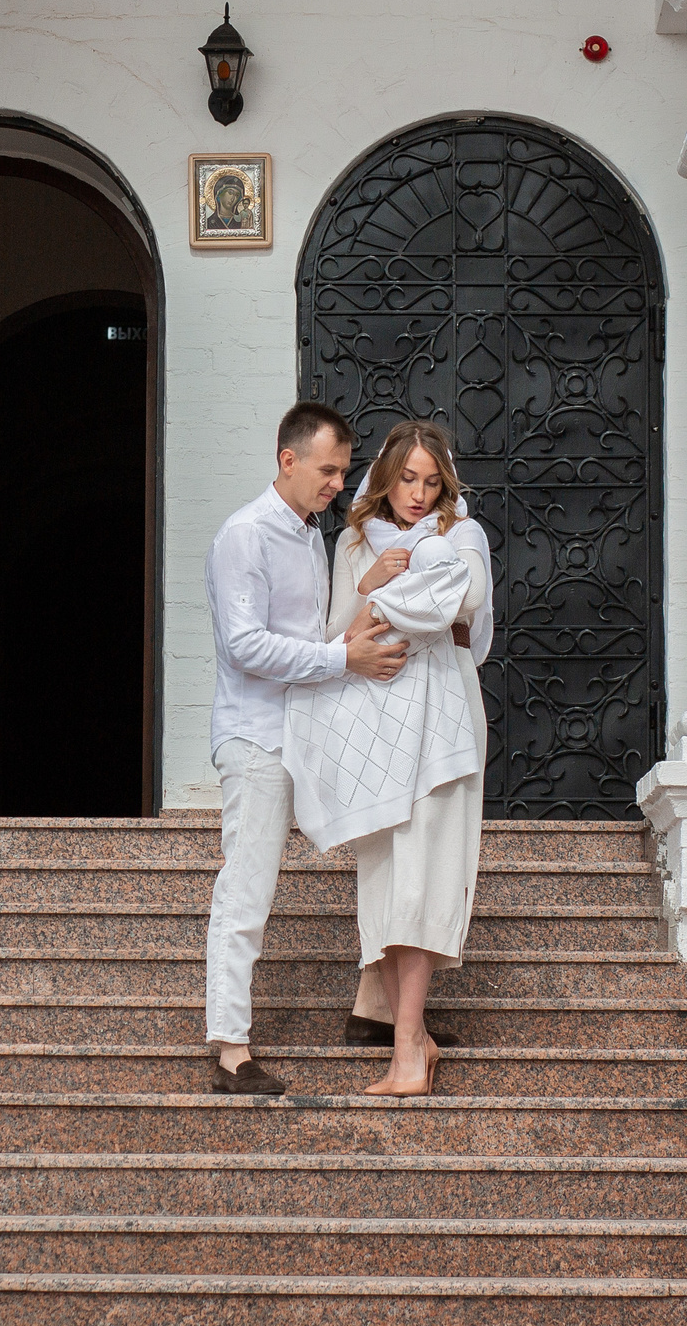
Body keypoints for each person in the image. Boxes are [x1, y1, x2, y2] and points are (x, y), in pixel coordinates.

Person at [203, 401, 406, 1095]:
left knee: (388, 842)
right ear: (287, 460)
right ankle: (231, 1048)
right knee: (248, 888)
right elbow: (246, 645)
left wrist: (368, 596)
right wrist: (341, 660)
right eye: (327, 469)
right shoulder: (245, 535)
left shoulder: (312, 533)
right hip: (257, 737)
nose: (336, 483)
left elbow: (321, 631)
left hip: (311, 730)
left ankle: (378, 1010)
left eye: (344, 471)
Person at [284, 421, 490, 1096]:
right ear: (386, 475)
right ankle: (412, 1039)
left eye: (432, 482)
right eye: (408, 479)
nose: (419, 494)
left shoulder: (461, 534)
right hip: (371, 722)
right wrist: (372, 585)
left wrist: (391, 602)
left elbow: (464, 604)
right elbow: (333, 637)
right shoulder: (349, 543)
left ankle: (406, 1049)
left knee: (424, 876)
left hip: (443, 720)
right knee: (386, 878)